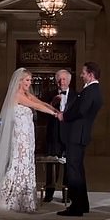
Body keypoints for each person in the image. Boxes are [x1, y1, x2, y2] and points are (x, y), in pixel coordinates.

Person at [0, 67, 58, 213]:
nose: (29, 82)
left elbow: (40, 102)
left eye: (30, 80)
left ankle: (25, 201)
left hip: (28, 137)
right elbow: (37, 106)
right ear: (20, 81)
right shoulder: (16, 95)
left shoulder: (27, 94)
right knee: (18, 164)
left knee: (26, 164)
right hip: (20, 138)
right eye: (27, 80)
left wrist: (56, 110)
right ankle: (10, 198)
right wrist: (54, 115)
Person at [56, 61, 103, 216]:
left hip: (77, 135)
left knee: (73, 171)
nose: (81, 75)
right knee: (78, 170)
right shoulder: (93, 89)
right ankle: (83, 204)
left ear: (90, 74)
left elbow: (81, 111)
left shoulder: (91, 90)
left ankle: (76, 207)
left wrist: (64, 115)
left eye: (83, 73)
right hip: (80, 134)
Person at [43, 69, 77, 203]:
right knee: (52, 165)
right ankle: (49, 193)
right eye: (59, 79)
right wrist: (53, 103)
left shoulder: (76, 96)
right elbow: (42, 114)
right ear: (56, 81)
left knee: (69, 166)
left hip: (69, 136)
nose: (61, 82)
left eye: (64, 79)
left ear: (69, 81)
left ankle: (67, 194)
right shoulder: (49, 94)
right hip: (54, 135)